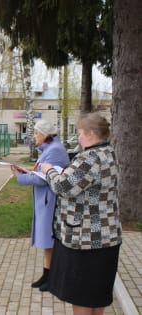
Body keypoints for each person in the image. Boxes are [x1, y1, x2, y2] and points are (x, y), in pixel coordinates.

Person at [40, 113, 121, 315]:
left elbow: (63, 187)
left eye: (80, 133)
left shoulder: (90, 157)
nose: (79, 138)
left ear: (91, 134)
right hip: (106, 237)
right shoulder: (109, 152)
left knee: (82, 296)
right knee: (96, 295)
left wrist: (49, 170)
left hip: (85, 239)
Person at [10, 120, 69, 292]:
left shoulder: (55, 150)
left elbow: (46, 178)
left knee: (49, 239)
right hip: (46, 201)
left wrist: (19, 177)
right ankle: (47, 274)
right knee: (46, 240)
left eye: (36, 133)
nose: (34, 136)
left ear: (45, 134)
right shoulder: (51, 149)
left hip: (50, 201)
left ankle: (52, 277)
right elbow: (42, 174)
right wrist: (28, 172)